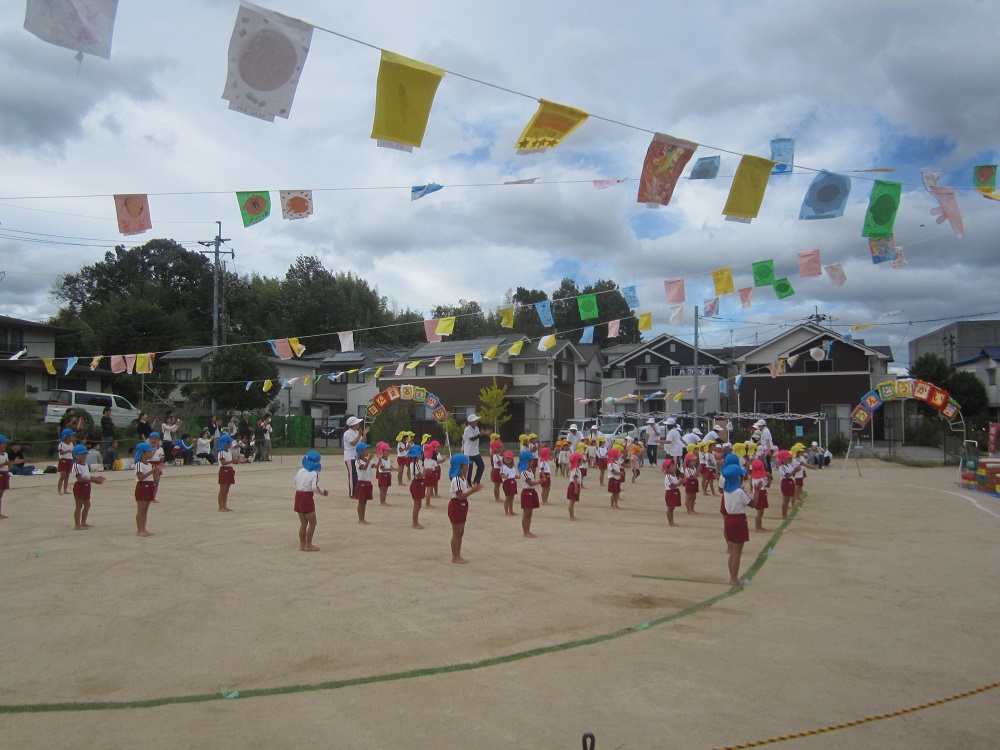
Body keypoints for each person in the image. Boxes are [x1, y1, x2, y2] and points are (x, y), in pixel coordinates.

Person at [721, 453, 755, 586]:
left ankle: (732, 576)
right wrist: (756, 491)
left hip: (729, 518)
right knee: (737, 552)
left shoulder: (727, 490)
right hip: (738, 520)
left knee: (733, 551)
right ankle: (734, 578)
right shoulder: (740, 492)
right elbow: (754, 504)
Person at [448, 453, 482, 564]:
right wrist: (474, 490)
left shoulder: (463, 478)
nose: (468, 467)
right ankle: (455, 556)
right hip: (456, 505)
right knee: (456, 532)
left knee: (460, 532)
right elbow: (460, 496)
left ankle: (458, 554)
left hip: (462, 505)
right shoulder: (456, 479)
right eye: (466, 465)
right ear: (460, 466)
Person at [294, 451, 328, 551]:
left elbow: (295, 481)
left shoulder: (300, 471)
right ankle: (308, 544)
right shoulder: (314, 474)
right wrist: (323, 492)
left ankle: (302, 544)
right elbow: (315, 487)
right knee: (313, 522)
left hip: (298, 495)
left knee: (303, 523)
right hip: (306, 496)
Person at [71, 443, 105, 529]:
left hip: (87, 485)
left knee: (87, 504)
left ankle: (83, 522)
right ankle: (77, 524)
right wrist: (94, 480)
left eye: (85, 454)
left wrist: (96, 478)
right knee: (79, 506)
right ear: (76, 455)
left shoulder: (85, 464)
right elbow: (80, 479)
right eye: (81, 454)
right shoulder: (76, 466)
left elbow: (88, 476)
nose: (84, 456)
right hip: (79, 486)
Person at [133, 441, 160, 537]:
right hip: (142, 486)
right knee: (141, 510)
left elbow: (152, 477)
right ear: (143, 453)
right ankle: (139, 529)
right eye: (148, 452)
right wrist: (152, 471)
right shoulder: (139, 464)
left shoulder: (148, 464)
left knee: (145, 510)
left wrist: (156, 473)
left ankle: (143, 528)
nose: (150, 454)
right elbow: (140, 477)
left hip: (149, 485)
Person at [342, 416, 369, 498]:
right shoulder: (347, 433)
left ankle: (357, 491)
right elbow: (353, 443)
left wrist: (364, 434)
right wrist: (360, 434)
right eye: (357, 423)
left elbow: (363, 442)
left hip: (356, 456)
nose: (359, 424)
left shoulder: (356, 432)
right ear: (353, 424)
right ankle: (352, 493)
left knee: (357, 474)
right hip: (349, 456)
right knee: (352, 475)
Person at [216, 433, 243, 512]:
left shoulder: (229, 452)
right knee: (222, 490)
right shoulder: (221, 452)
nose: (230, 444)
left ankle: (225, 505)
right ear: (226, 443)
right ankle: (220, 507)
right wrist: (232, 461)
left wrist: (238, 460)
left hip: (230, 470)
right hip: (224, 470)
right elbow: (223, 462)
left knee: (227, 490)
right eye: (229, 443)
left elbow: (230, 462)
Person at [518, 449, 540, 538]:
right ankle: (525, 532)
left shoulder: (530, 471)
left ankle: (528, 530)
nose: (533, 462)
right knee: (526, 514)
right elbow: (530, 483)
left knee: (530, 513)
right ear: (528, 461)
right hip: (527, 492)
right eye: (531, 461)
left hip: (532, 491)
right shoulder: (524, 472)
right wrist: (540, 481)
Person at [354, 442, 374, 525]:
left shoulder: (367, 460)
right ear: (361, 452)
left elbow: (376, 466)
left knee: (365, 502)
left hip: (368, 482)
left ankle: (363, 518)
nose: (367, 451)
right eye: (366, 449)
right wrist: (369, 460)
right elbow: (364, 468)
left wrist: (380, 459)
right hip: (361, 483)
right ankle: (360, 519)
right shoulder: (358, 461)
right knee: (361, 501)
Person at [463, 413, 485, 485]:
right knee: (469, 468)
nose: (476, 422)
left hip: (475, 451)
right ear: (471, 422)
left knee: (481, 465)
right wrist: (480, 435)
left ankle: (476, 481)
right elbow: (472, 438)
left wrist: (483, 434)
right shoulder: (467, 429)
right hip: (468, 452)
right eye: (475, 421)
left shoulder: (477, 428)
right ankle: (468, 482)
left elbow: (478, 437)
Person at [407, 444, 425, 527]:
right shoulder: (414, 464)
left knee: (418, 504)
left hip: (418, 484)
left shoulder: (415, 463)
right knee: (417, 505)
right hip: (416, 484)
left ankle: (416, 522)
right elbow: (418, 476)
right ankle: (415, 523)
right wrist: (426, 472)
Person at [750, 459, 770, 532]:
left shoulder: (753, 477)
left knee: (760, 512)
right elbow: (768, 485)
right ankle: (758, 527)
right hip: (761, 493)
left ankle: (759, 526)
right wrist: (769, 477)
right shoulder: (761, 477)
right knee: (760, 512)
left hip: (758, 493)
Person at [56, 428, 76, 496]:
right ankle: (59, 490)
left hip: (69, 460)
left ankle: (65, 490)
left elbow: (73, 452)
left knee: (67, 476)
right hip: (63, 460)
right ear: (67, 436)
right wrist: (67, 451)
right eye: (71, 436)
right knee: (62, 476)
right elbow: (61, 452)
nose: (72, 437)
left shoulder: (71, 444)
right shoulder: (61, 444)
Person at [777, 449, 796, 519]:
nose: (790, 458)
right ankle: (784, 515)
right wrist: (794, 471)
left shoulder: (790, 466)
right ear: (783, 459)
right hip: (786, 482)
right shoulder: (782, 467)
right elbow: (787, 475)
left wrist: (794, 471)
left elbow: (793, 475)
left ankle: (785, 514)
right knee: (785, 499)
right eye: (788, 458)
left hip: (790, 481)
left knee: (787, 499)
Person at [662, 458, 681, 526]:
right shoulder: (668, 476)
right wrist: (680, 483)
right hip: (671, 493)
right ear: (667, 469)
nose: (674, 467)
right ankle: (670, 522)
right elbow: (672, 486)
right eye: (672, 466)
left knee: (672, 508)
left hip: (674, 492)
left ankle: (671, 522)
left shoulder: (674, 475)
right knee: (670, 508)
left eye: (674, 466)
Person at [500, 450, 517, 517]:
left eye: (509, 458)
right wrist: (505, 476)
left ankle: (511, 510)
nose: (508, 459)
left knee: (512, 497)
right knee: (508, 497)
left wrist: (519, 476)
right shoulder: (504, 467)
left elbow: (514, 475)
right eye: (506, 458)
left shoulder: (513, 467)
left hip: (513, 482)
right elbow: (501, 475)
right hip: (507, 483)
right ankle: (506, 511)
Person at [375, 442, 393, 507]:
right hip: (383, 475)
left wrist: (396, 469)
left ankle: (384, 501)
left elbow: (390, 467)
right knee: (383, 490)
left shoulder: (388, 459)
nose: (388, 453)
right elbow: (382, 468)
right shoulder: (381, 460)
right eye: (386, 451)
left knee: (385, 489)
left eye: (388, 451)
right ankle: (382, 502)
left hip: (387, 475)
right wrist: (389, 469)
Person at [148, 432, 165, 501]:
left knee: (156, 481)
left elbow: (162, 458)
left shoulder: (160, 449)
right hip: (149, 464)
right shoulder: (147, 448)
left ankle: (153, 497)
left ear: (158, 440)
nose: (154, 440)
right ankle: (148, 496)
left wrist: (161, 462)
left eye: (155, 439)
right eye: (152, 439)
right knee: (149, 481)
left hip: (157, 464)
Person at [567, 451, 583, 520]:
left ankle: (572, 515)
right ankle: (571, 516)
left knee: (572, 502)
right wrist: (576, 488)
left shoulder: (576, 468)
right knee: (572, 501)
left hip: (574, 485)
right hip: (574, 485)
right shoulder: (576, 469)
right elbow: (575, 478)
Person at [490, 435, 504, 502]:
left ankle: (498, 497)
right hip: (497, 471)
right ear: (496, 448)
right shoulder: (496, 456)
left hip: (498, 470)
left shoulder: (498, 455)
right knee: (497, 486)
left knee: (498, 485)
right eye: (500, 447)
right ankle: (497, 498)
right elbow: (499, 464)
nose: (502, 448)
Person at [0, 434, 10, 519]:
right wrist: (5, 464)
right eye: (3, 443)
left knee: (1, 494)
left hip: (5, 474)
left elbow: (7, 465)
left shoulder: (5, 454)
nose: (5, 444)